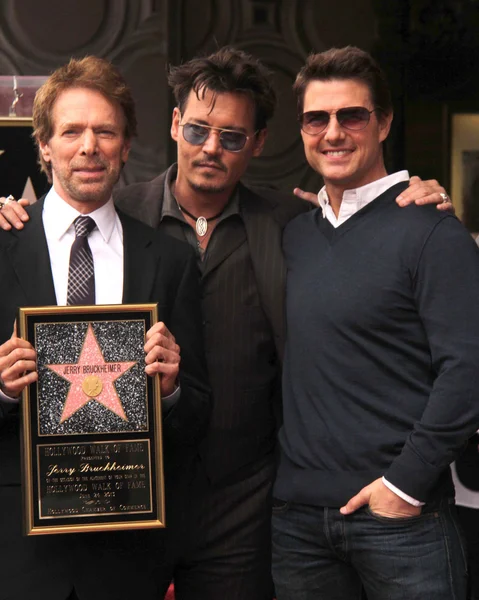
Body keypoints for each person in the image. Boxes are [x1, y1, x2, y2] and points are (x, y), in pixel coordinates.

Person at [0, 47, 450, 600]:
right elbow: (64, 208)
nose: (211, 148)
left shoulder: (292, 225)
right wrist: (13, 211)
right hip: (118, 499)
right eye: (196, 130)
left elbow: (354, 218)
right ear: (172, 126)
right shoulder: (120, 212)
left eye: (233, 137)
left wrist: (419, 196)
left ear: (258, 143)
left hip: (243, 504)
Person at [272, 45, 479, 600]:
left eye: (352, 115)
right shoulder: (292, 235)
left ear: (383, 122)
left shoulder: (433, 232)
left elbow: (469, 370)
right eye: (317, 118)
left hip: (401, 522)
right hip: (297, 524)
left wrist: (405, 485)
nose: (333, 132)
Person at [0, 56, 210, 600]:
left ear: (126, 143)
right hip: (17, 553)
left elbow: (200, 411)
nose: (89, 146)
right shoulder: (0, 247)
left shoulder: (171, 260)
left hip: (130, 557)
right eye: (71, 131)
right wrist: (0, 388)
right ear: (44, 144)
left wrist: (170, 390)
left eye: (105, 131)